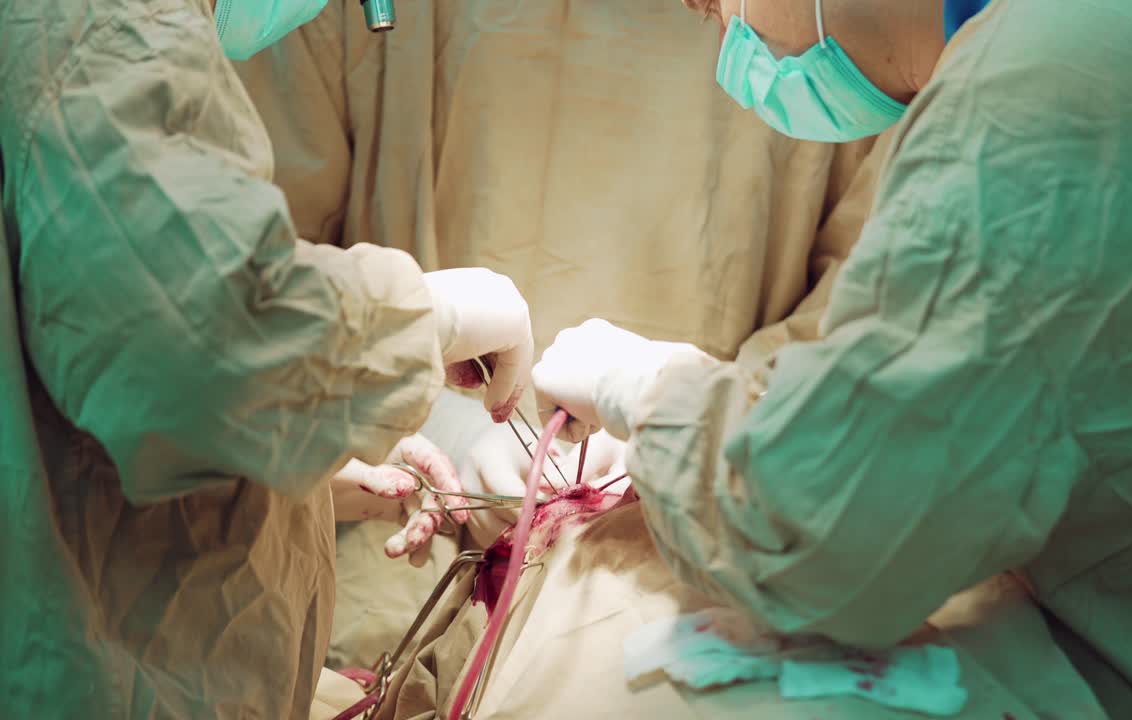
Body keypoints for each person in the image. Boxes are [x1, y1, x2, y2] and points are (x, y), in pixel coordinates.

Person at [532, 0, 1132, 717]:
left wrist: (652, 395)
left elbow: (827, 530)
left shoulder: (1062, 75)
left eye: (720, 8)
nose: (735, 46)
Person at [232, 0, 884, 670]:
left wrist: (694, 427)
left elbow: (874, 329)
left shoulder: (856, 30)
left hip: (691, 566)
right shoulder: (323, 20)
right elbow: (237, 296)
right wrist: (434, 419)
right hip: (381, 584)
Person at [0, 0, 535, 717]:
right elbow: (201, 342)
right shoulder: (94, 20)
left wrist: (296, 479)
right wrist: (424, 317)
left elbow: (79, 350)